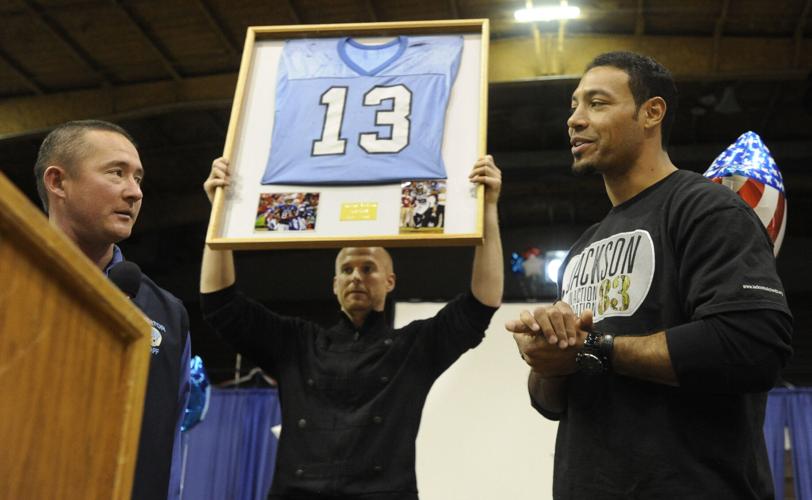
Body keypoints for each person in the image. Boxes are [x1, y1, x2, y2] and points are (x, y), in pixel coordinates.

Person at [507, 52, 792, 499]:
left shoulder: (707, 209)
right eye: (573, 106)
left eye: (597, 103)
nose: (575, 120)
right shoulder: (584, 246)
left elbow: (752, 345)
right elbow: (551, 404)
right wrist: (549, 359)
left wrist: (594, 349)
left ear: (651, 113)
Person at [200, 155, 503, 499]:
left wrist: (488, 208)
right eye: (347, 269)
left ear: (390, 281)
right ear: (334, 285)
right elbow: (220, 304)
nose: (356, 276)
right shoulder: (296, 343)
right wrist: (220, 210)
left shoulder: (414, 347)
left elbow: (482, 303)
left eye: (368, 267)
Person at [34, 120, 191, 500]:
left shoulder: (168, 315)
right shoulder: (13, 284)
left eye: (138, 178)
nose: (134, 192)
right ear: (58, 183)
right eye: (116, 173)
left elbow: (169, 439)